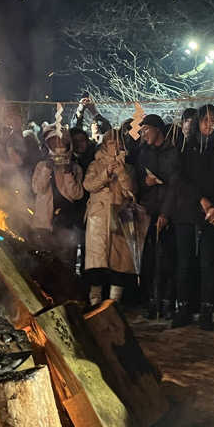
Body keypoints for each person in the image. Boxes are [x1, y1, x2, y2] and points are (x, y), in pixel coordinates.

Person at [165, 103, 214, 329]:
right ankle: (183, 307)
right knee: (184, 262)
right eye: (205, 120)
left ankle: (206, 310)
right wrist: (200, 199)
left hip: (211, 214)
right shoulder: (184, 148)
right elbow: (177, 179)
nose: (209, 124)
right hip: (186, 212)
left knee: (207, 263)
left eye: (213, 120)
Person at [83, 129, 142, 306]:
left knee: (119, 261)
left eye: (117, 143)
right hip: (98, 218)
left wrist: (122, 173)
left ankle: (114, 303)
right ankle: (95, 301)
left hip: (120, 216)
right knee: (96, 261)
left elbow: (132, 191)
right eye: (110, 143)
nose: (114, 146)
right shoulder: (95, 164)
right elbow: (88, 185)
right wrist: (105, 174)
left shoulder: (129, 166)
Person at [136, 114, 180, 318]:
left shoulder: (172, 153)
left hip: (169, 211)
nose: (144, 134)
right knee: (151, 260)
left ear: (157, 129)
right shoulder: (144, 152)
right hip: (149, 211)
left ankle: (168, 302)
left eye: (146, 129)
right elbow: (139, 181)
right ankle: (152, 302)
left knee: (167, 259)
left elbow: (175, 184)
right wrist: (147, 183)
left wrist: (166, 213)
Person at [30, 125, 85, 266]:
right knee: (44, 263)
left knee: (65, 264)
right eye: (54, 143)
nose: (58, 146)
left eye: (61, 142)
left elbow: (77, 194)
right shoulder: (41, 165)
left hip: (66, 224)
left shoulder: (75, 168)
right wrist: (47, 169)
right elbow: (38, 188)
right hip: (44, 223)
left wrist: (67, 173)